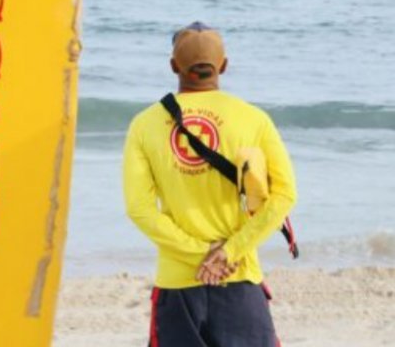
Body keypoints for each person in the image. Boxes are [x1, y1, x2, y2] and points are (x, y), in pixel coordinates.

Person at [123, 22, 298, 347]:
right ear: (224, 65)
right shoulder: (253, 119)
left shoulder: (144, 125)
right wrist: (229, 252)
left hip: (178, 284)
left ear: (173, 66)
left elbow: (140, 209)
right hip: (238, 276)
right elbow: (284, 195)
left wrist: (200, 254)